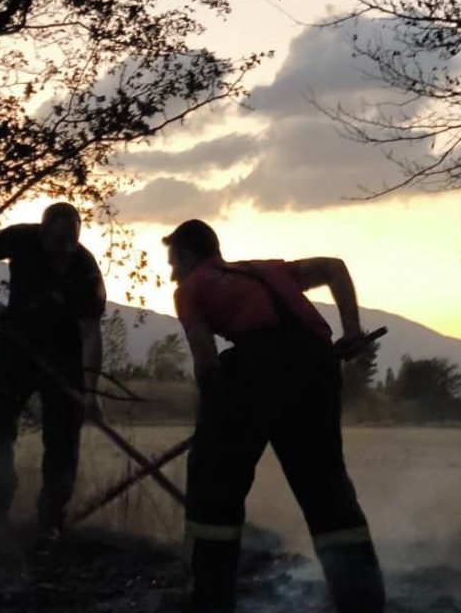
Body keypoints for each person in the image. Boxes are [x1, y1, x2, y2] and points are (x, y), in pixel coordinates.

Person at [163, 219, 385, 613]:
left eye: (172, 262)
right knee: (324, 485)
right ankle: (362, 599)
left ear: (185, 255)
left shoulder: (191, 288)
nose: (171, 272)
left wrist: (209, 427)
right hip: (317, 365)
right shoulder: (266, 269)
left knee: (215, 485)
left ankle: (209, 599)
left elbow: (206, 362)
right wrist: (350, 331)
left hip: (255, 366)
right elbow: (334, 266)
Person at [0, 202, 105, 543]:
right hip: (15, 347)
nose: (62, 251)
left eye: (69, 243)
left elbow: (90, 332)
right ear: (42, 233)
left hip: (64, 358)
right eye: (56, 242)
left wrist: (90, 392)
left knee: (62, 441)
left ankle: (49, 519)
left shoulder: (85, 269)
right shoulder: (21, 238)